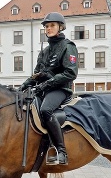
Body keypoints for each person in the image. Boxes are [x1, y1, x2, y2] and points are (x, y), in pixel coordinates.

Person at [19, 12, 78, 165]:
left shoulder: (68, 46)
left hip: (61, 89)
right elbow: (36, 75)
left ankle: (61, 151)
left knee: (46, 110)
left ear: (60, 27)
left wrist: (48, 83)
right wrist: (23, 86)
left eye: (52, 25)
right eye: (46, 26)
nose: (48, 28)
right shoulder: (44, 52)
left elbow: (70, 73)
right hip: (44, 89)